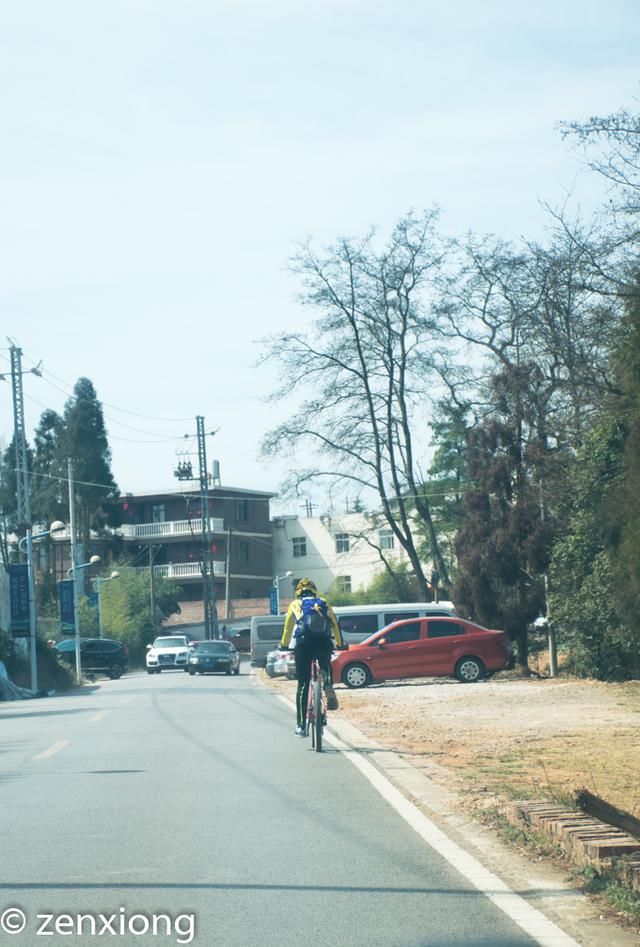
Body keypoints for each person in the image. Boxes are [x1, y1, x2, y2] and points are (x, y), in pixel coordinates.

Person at [279, 577, 346, 735]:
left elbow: (288, 629)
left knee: (303, 684)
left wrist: (283, 645)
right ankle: (328, 683)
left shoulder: (295, 605)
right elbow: (334, 624)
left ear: (298, 593)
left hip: (304, 645)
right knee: (325, 663)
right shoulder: (323, 602)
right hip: (323, 642)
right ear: (314, 592)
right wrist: (340, 643)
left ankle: (301, 726)